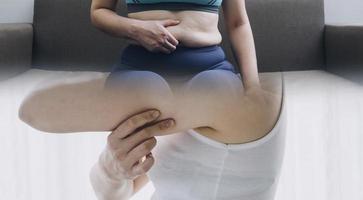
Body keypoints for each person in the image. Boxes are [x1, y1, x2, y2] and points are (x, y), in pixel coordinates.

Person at [18, 0, 286, 199]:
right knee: (148, 91)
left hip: (209, 65)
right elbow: (99, 11)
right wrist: (135, 28)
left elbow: (238, 23)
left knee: (215, 89)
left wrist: (252, 87)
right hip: (141, 65)